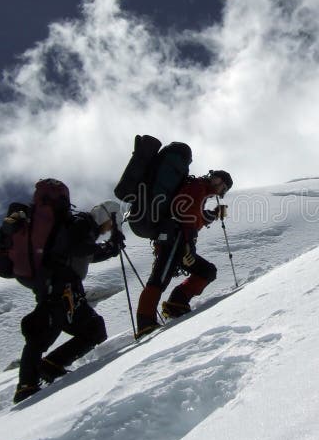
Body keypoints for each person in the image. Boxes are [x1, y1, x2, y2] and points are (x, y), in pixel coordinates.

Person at [13, 199, 124, 403]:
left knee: (92, 329)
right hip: (60, 287)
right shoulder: (81, 224)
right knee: (45, 330)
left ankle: (49, 367)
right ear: (106, 217)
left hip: (60, 286)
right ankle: (27, 385)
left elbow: (85, 253)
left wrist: (110, 248)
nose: (109, 228)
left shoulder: (83, 229)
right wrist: (110, 244)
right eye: (111, 223)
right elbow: (81, 249)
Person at [134, 170, 233, 337]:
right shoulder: (198, 187)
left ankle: (176, 304)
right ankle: (146, 322)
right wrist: (188, 246)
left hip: (176, 239)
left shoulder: (199, 188)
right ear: (219, 181)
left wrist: (214, 214)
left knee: (205, 271)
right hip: (175, 240)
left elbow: (195, 219)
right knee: (159, 279)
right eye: (223, 188)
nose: (221, 193)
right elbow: (187, 218)